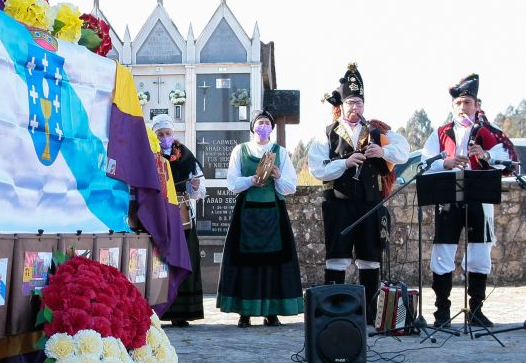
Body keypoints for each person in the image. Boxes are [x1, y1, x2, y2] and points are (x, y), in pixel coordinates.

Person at [308, 63, 409, 324]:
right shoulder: (326, 134)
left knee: (370, 260)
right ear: (342, 105)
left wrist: (383, 152)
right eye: (351, 102)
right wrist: (344, 163)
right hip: (338, 205)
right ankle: (335, 313)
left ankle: (369, 316)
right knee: (337, 258)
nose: (356, 108)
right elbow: (317, 169)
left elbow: (404, 150)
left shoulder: (377, 130)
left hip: (370, 205)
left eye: (359, 103)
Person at [421, 74, 509, 328]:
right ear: (453, 106)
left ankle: (476, 311)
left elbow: (508, 159)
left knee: (480, 254)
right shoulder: (441, 133)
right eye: (459, 103)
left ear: (476, 105)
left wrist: (486, 154)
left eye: (467, 102)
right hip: (449, 200)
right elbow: (424, 162)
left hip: (479, 200)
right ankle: (442, 312)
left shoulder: (488, 132)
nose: (463, 107)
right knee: (443, 253)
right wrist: (444, 163)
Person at [216, 109, 303, 327]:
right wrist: (250, 180)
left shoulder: (280, 152)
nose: (263, 126)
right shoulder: (240, 150)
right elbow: (232, 183)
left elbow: (290, 186)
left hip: (273, 212)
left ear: (271, 128)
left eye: (267, 122)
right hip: (247, 214)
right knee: (245, 263)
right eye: (260, 122)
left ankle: (271, 312)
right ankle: (244, 313)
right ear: (253, 126)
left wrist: (278, 175)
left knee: (273, 263)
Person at [151, 114, 206, 327]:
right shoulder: (150, 155)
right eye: (160, 134)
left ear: (173, 134)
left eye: (168, 133)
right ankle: (157, 309)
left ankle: (181, 312)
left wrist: (192, 185)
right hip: (158, 214)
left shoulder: (185, 155)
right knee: (161, 260)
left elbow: (199, 189)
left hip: (181, 213)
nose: (165, 137)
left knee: (184, 257)